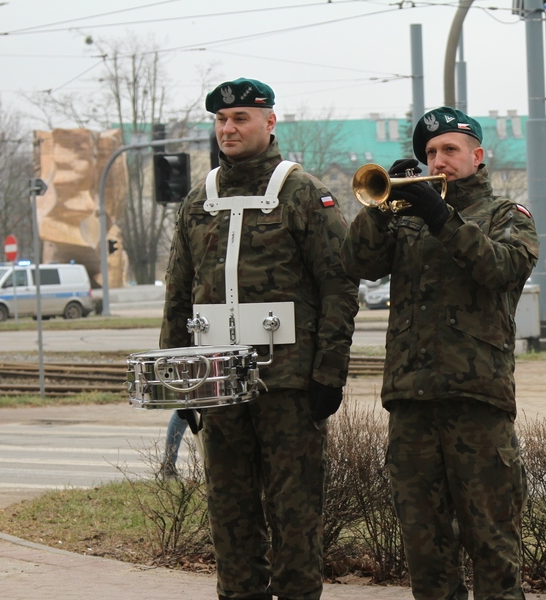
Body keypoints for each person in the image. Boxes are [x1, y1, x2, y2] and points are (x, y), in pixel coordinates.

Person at [160, 77, 359, 600]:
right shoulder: (198, 200)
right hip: (217, 383)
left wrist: (329, 372)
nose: (228, 128)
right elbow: (179, 295)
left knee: (295, 516)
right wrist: (182, 384)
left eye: (240, 118)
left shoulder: (303, 193)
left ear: (269, 123)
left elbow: (339, 285)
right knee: (229, 512)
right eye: (221, 120)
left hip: (288, 386)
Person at [340, 106, 539, 600]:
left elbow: (501, 269)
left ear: (477, 155)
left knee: (492, 546)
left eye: (449, 149)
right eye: (429, 152)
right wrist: (382, 207)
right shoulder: (404, 219)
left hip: (477, 401)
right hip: (411, 401)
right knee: (425, 550)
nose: (439, 159)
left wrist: (440, 217)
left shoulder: (506, 215)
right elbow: (354, 261)